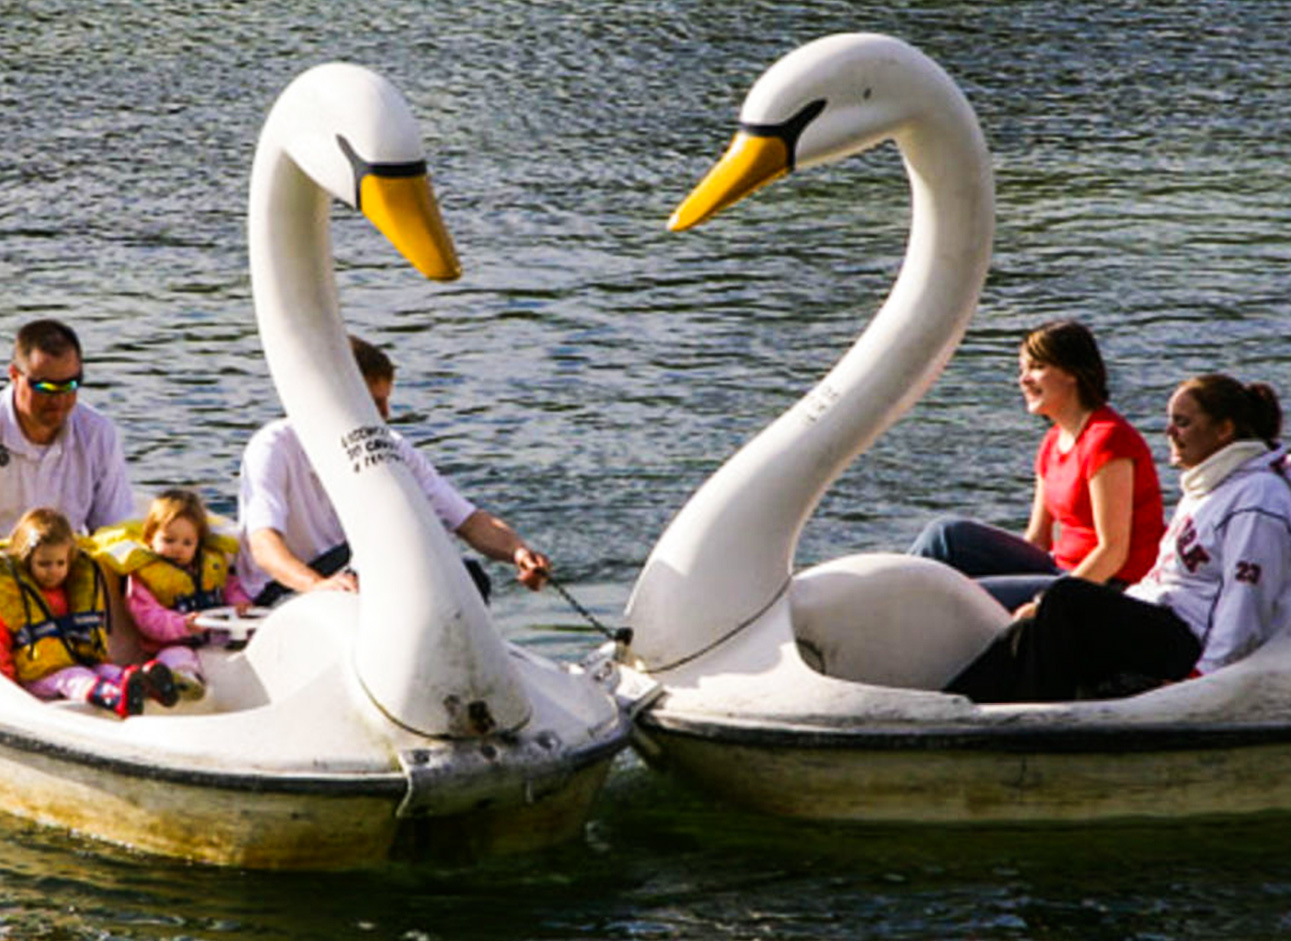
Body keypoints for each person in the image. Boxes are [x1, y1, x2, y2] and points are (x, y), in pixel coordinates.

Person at [946, 374, 1291, 703]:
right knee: (1034, 622)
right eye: (1170, 420)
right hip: (1161, 613)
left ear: (1224, 430)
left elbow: (1247, 602)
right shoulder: (1210, 484)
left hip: (1190, 639)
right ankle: (953, 705)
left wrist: (1203, 678)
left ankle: (1037, 725)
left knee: (1067, 599)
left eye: (1183, 422)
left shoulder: (1257, 499)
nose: (1169, 431)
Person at [238, 336, 551, 605]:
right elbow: (265, 547)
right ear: (334, 395)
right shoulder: (273, 446)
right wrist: (316, 585)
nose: (386, 416)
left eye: (387, 402)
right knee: (391, 559)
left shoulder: (393, 447)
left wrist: (519, 553)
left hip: (354, 576)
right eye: (375, 404)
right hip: (282, 591)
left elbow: (468, 521)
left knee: (467, 576)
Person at [909, 320, 1164, 613]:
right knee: (944, 535)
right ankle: (885, 597)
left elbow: (1112, 552)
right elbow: (1037, 541)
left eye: (1037, 367)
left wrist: (1045, 603)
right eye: (1022, 369)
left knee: (959, 597)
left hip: (1108, 584)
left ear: (1072, 372)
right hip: (1059, 567)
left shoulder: (1108, 439)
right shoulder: (1053, 440)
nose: (1023, 379)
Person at [0, 508, 176, 717]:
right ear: (26, 560)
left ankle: (148, 686)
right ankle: (115, 698)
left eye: (60, 563)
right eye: (44, 564)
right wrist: (9, 689)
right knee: (75, 677)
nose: (53, 570)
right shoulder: (12, 595)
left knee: (105, 670)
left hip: (80, 660)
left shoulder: (74, 586)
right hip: (39, 675)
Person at [1, 319, 134, 535]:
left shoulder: (97, 434)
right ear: (15, 376)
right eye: (45, 386)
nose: (58, 399)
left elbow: (114, 530)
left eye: (70, 385)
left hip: (66, 563)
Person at [123, 489, 254, 700]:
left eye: (187, 543)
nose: (178, 549)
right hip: (171, 644)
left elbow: (229, 586)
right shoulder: (143, 577)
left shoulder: (210, 564)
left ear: (198, 542)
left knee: (248, 644)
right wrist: (182, 624)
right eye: (169, 540)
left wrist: (240, 603)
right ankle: (183, 684)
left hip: (214, 639)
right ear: (150, 537)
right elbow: (148, 617)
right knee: (176, 657)